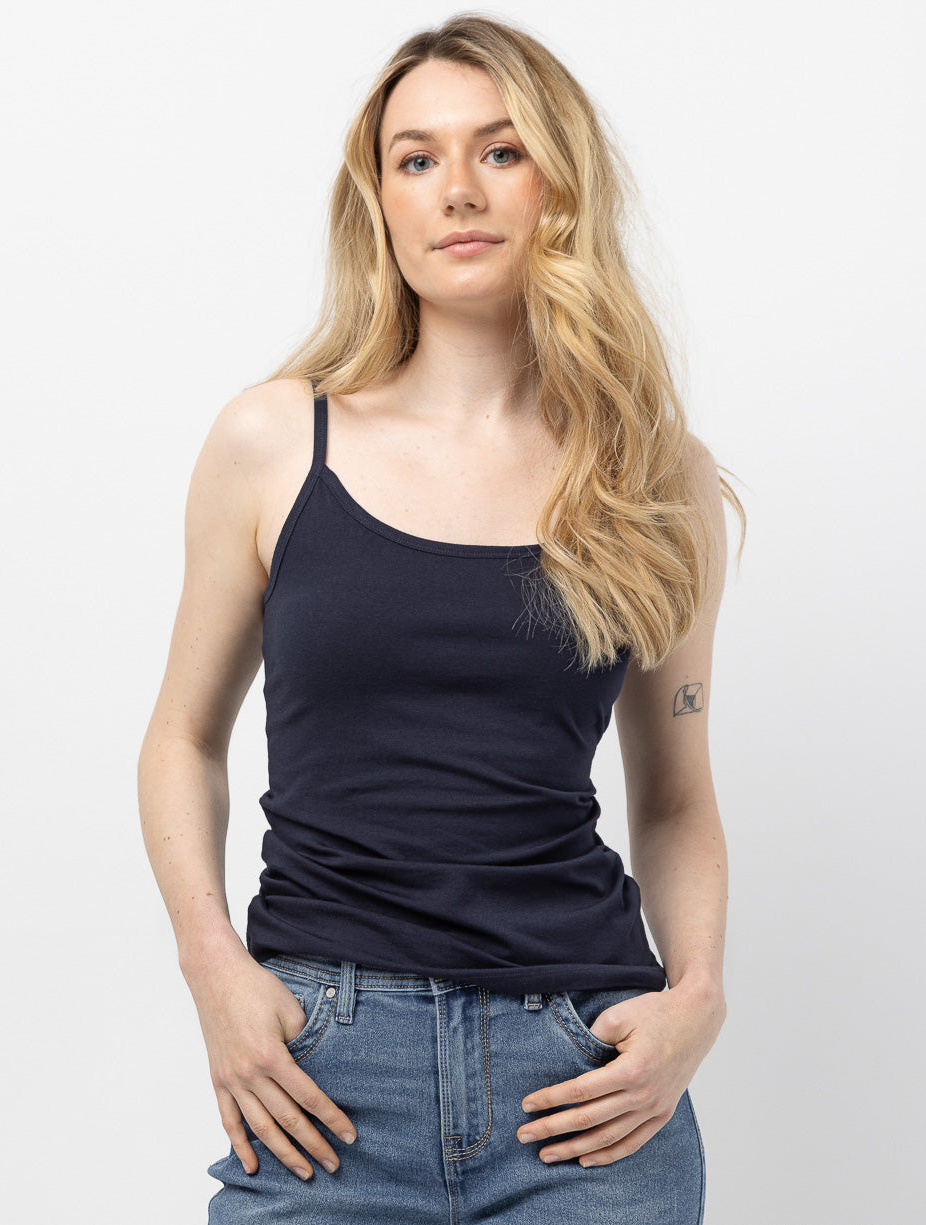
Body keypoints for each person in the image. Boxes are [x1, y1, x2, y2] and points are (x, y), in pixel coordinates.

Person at [138, 13, 744, 1224]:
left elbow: (674, 792)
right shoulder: (273, 440)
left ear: (560, 181)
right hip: (321, 1078)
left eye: (499, 151)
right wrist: (213, 969)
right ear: (379, 201)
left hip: (583, 1083)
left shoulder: (651, 477)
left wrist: (696, 999)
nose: (456, 189)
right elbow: (181, 739)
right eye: (415, 159)